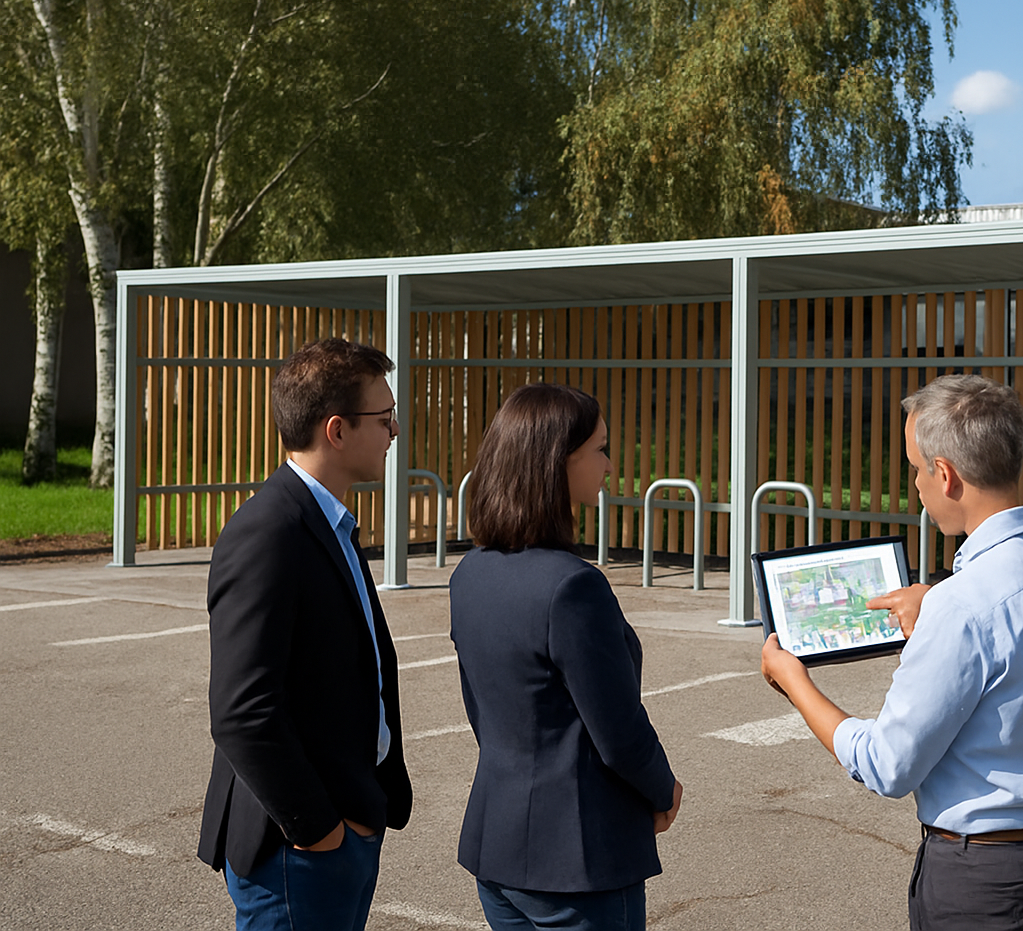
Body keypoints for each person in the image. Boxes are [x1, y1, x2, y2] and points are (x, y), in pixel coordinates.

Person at [761, 373, 1023, 931]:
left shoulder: (961, 606)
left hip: (988, 879)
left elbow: (887, 766)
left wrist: (795, 681)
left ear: (945, 474)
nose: (914, 485)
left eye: (915, 468)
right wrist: (935, 607)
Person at [197, 337, 412, 930]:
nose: (395, 431)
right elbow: (242, 711)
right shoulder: (268, 532)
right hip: (297, 850)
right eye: (385, 418)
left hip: (344, 825)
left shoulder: (329, 520)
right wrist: (320, 832)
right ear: (336, 430)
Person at [451, 382, 682, 931]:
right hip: (578, 860)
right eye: (600, 449)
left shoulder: (469, 574)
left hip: (498, 845)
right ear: (557, 460)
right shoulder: (573, 587)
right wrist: (662, 787)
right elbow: (618, 729)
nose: (609, 464)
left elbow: (485, 714)